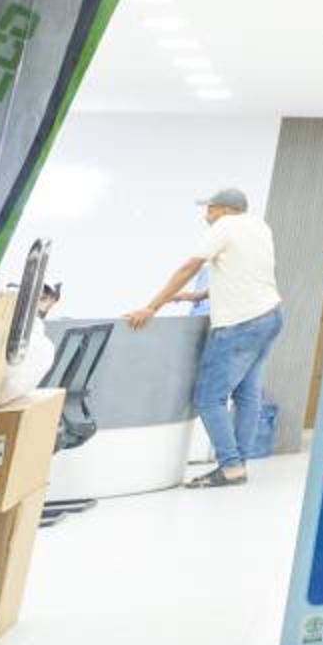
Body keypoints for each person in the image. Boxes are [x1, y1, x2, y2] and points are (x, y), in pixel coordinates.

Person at [127, 188, 282, 488]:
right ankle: (239, 463)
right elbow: (248, 274)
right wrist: (200, 295)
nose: (206, 216)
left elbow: (189, 267)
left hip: (239, 324)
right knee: (247, 395)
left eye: (210, 209)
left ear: (224, 209)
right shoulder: (260, 227)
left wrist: (151, 307)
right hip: (270, 317)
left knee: (209, 399)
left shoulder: (224, 226)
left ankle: (230, 466)